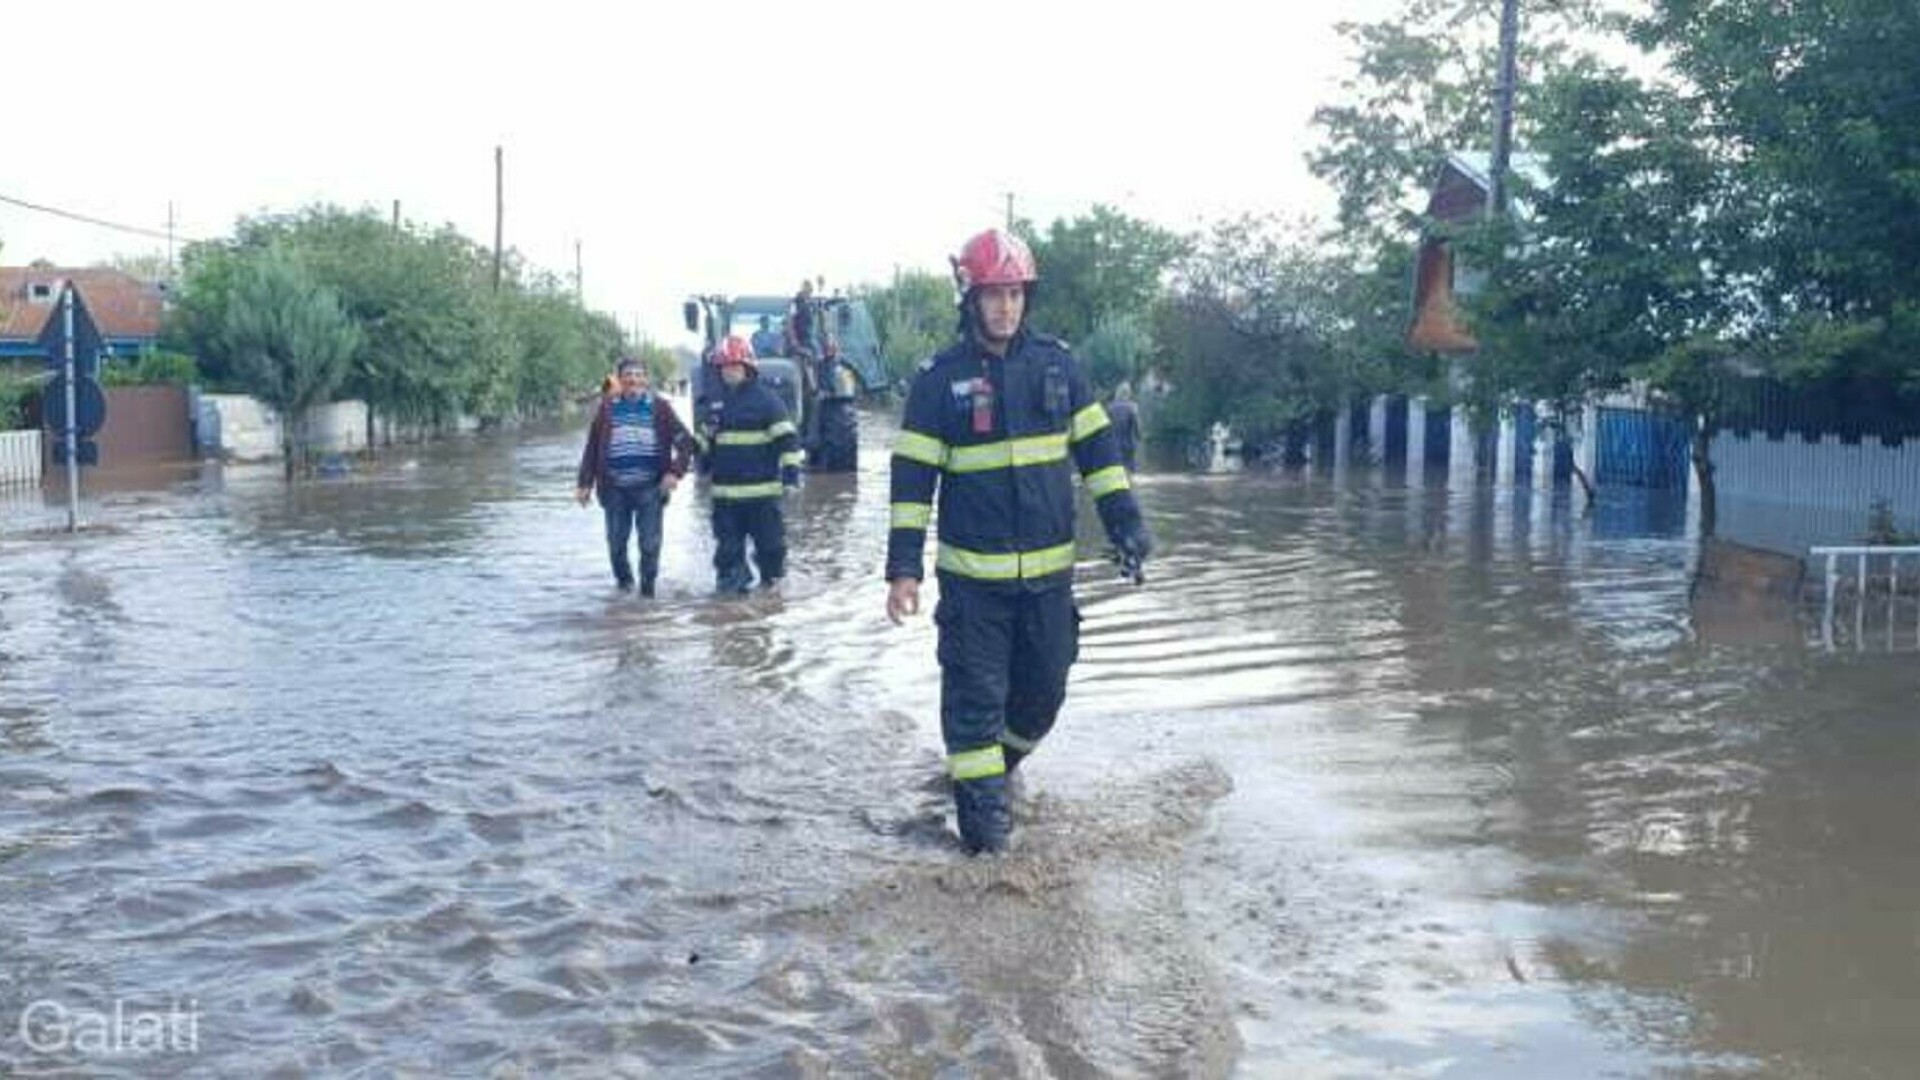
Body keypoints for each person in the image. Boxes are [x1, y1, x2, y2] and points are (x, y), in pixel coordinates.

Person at [884, 228, 1153, 855]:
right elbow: (912, 484)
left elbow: (1101, 459)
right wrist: (904, 570)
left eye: (1015, 293)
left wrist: (1128, 527)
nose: (1005, 307)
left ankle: (985, 779)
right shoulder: (937, 382)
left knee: (1042, 699)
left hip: (1048, 588)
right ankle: (988, 859)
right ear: (970, 300)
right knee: (974, 709)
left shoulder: (1059, 368)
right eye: (993, 295)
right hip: (974, 591)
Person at [576, 357, 695, 596]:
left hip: (650, 488)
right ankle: (625, 587)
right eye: (628, 375)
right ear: (620, 380)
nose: (633, 379)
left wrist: (674, 472)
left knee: (650, 545)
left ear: (646, 380)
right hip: (614, 488)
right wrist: (584, 484)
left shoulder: (660, 408)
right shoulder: (607, 408)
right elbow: (592, 448)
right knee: (616, 545)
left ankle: (647, 595)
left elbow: (686, 443)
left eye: (639, 375)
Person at [696, 335, 801, 594]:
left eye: (735, 365)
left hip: (763, 496)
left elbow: (787, 441)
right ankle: (732, 611)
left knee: (771, 550)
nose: (729, 371)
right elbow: (702, 446)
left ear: (748, 368)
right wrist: (699, 456)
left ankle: (771, 596)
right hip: (726, 499)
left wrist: (790, 478)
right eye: (725, 366)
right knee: (728, 555)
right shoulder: (713, 403)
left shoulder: (767, 401)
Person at [1108, 382, 1142, 473]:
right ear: (1128, 393)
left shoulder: (1110, 408)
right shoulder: (1132, 407)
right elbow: (1136, 426)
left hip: (1113, 445)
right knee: (1129, 470)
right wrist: (1139, 437)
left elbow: (1106, 428)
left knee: (1116, 470)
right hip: (1129, 445)